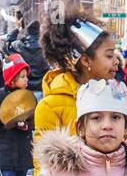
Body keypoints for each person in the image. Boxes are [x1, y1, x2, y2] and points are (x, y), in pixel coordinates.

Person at [35, 13, 119, 149]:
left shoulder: (119, 98)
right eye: (109, 55)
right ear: (86, 60)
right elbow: (45, 165)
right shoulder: (49, 107)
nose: (116, 62)